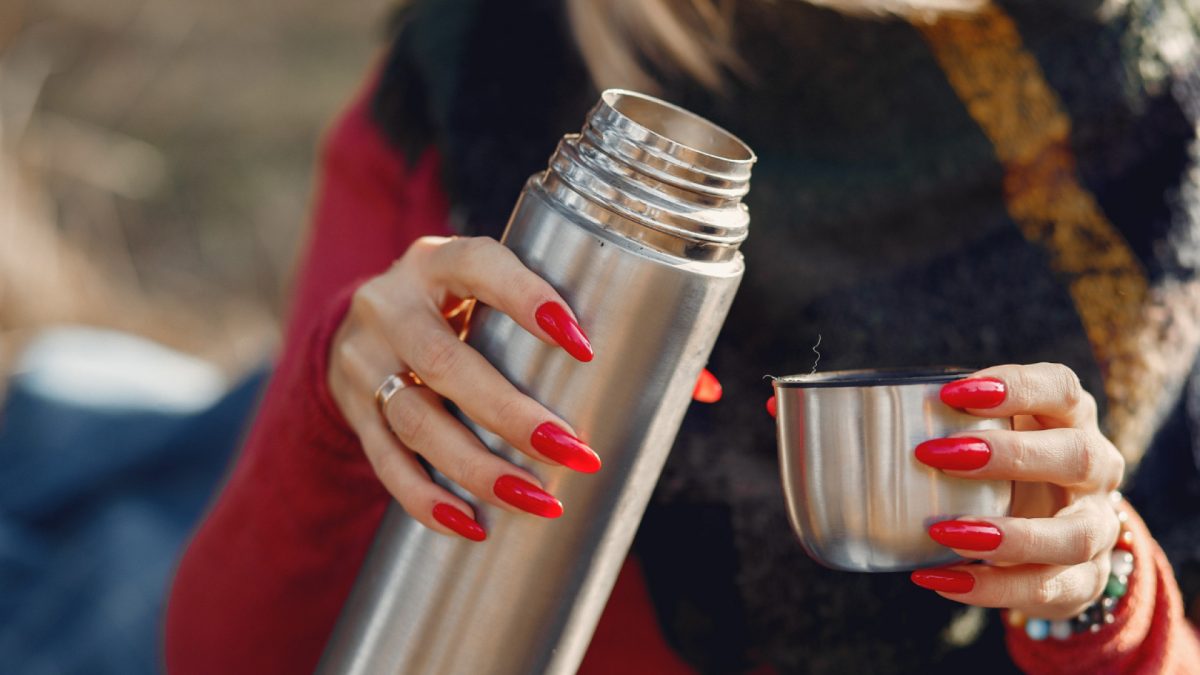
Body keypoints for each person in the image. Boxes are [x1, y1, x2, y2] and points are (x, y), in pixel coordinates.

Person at [165, 0, 1200, 672]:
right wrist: (333, 408)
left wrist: (1104, 595)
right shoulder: (498, 63)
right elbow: (222, 656)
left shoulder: (1170, 127)